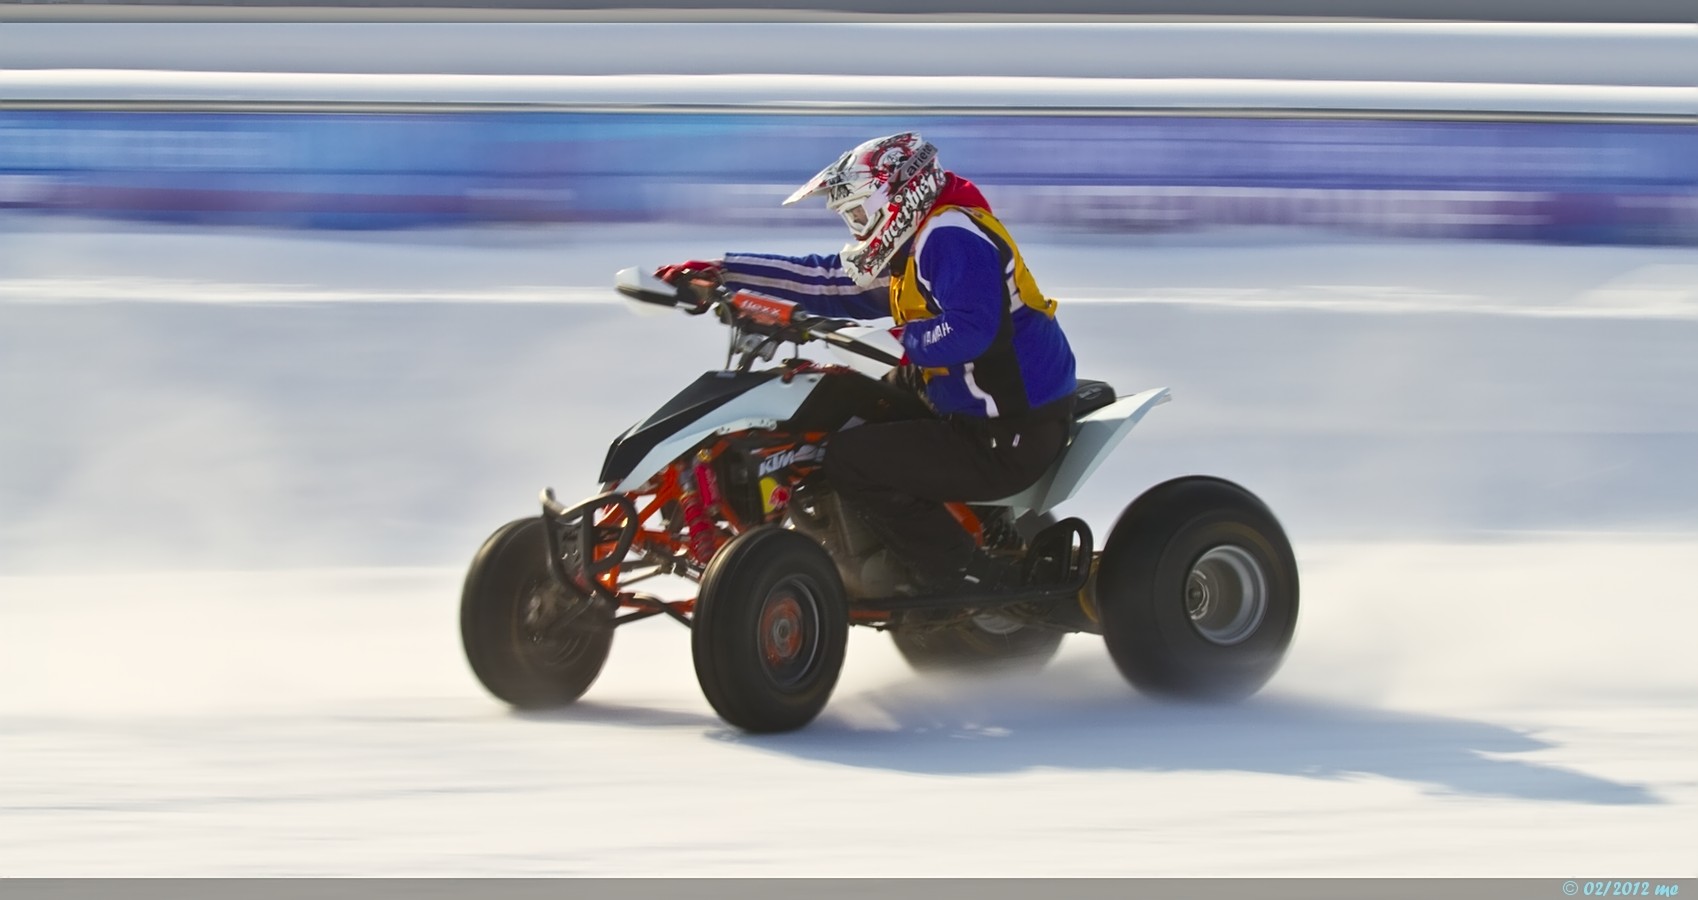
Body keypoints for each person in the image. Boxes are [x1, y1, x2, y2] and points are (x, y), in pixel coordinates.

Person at [656, 132, 1078, 594]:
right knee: (831, 399)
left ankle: (964, 576)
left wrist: (899, 336)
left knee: (852, 459)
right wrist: (728, 272)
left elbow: (974, 329)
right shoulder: (916, 242)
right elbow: (829, 282)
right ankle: (847, 541)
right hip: (961, 399)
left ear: (898, 197)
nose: (856, 228)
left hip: (1008, 431)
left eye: (858, 213)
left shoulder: (950, 235)